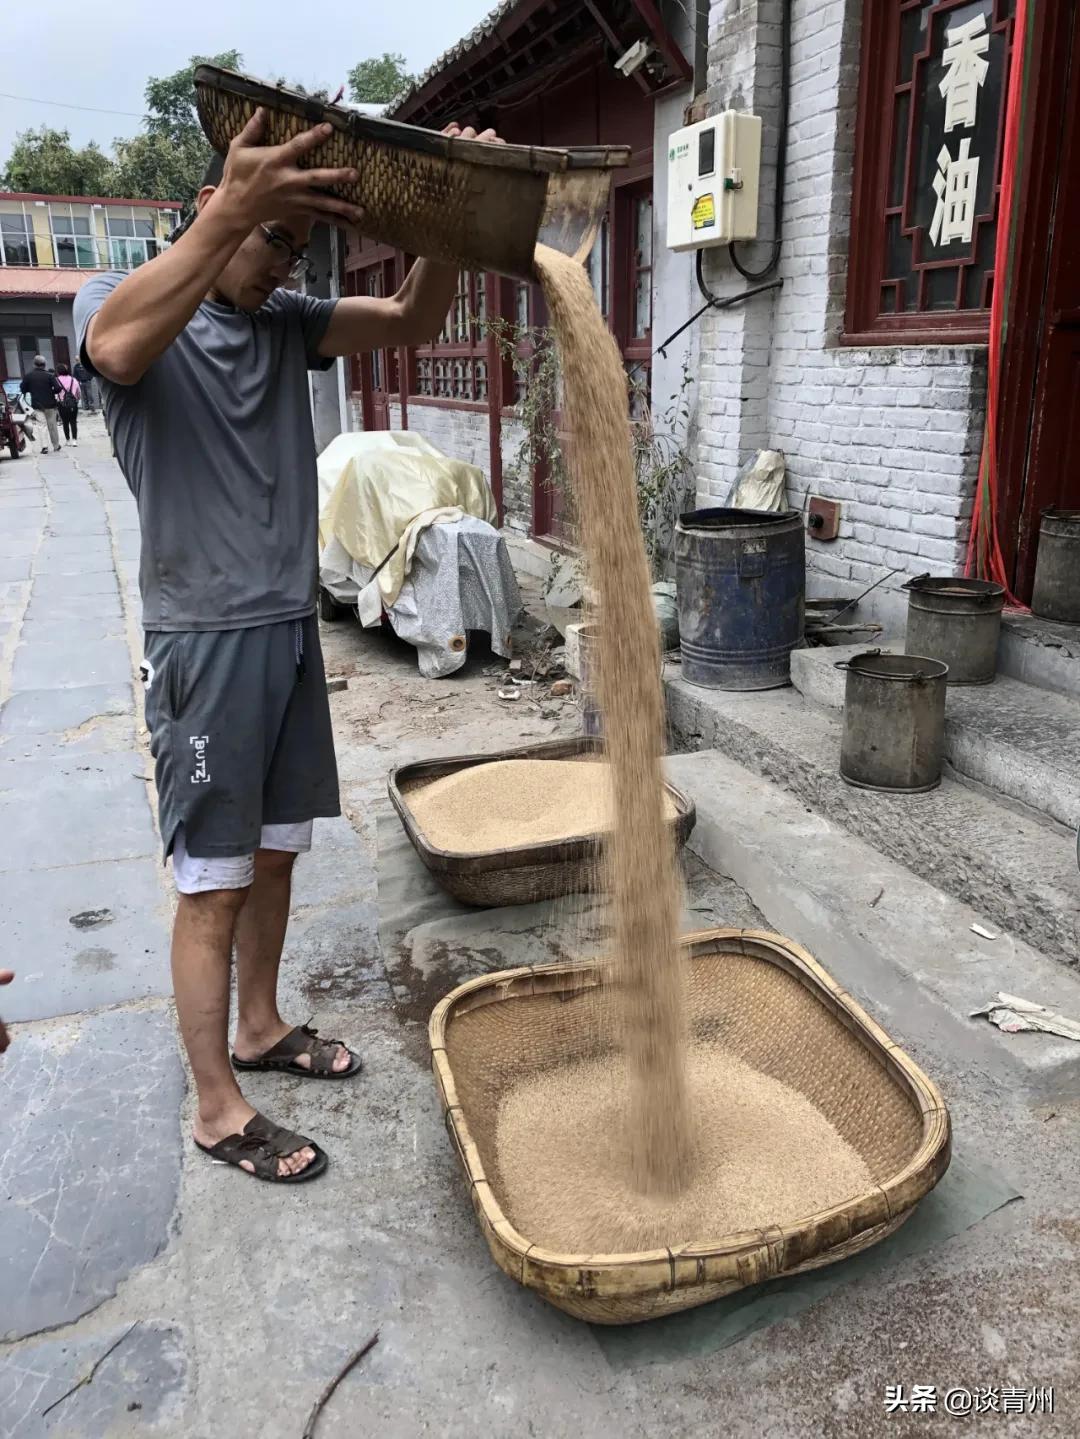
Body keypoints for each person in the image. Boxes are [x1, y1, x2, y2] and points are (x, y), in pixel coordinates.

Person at [74, 107, 502, 1184]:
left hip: (286, 635)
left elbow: (408, 314)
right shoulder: (122, 308)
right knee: (210, 880)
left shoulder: (287, 322)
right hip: (205, 647)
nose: (284, 265)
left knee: (273, 851)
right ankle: (216, 1105)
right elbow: (116, 347)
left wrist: (451, 213)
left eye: (295, 249)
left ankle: (258, 1025)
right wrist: (233, 213)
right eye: (277, 239)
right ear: (218, 206)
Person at [20, 356, 62, 453]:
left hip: (37, 404)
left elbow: (22, 389)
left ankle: (44, 447)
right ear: (44, 365)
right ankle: (56, 446)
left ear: (34, 364)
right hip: (50, 404)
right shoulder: (49, 375)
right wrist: (51, 390)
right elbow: (58, 389)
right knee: (52, 425)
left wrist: (31, 389)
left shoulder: (29, 376)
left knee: (41, 425)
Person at [55, 361, 80, 446]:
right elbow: (78, 391)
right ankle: (75, 441)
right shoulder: (74, 379)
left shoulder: (56, 380)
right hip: (73, 403)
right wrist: (77, 399)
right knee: (73, 422)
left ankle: (68, 440)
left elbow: (55, 392)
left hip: (62, 404)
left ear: (58, 371)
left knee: (65, 422)